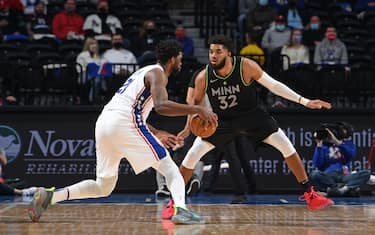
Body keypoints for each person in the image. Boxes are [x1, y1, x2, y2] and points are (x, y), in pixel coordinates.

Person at [27, 39, 217, 224]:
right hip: (123, 123)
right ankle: (181, 211)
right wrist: (197, 109)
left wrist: (156, 132)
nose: (181, 62)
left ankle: (49, 196)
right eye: (180, 58)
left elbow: (133, 111)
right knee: (171, 169)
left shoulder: (141, 72)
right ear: (172, 59)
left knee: (103, 185)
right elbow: (161, 106)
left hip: (105, 123)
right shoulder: (158, 73)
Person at [161, 34, 334, 219]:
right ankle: (175, 202)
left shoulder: (245, 66)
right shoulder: (203, 76)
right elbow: (196, 106)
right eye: (211, 51)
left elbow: (274, 85)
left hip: (252, 116)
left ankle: (310, 194)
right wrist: (189, 127)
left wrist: (304, 101)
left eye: (218, 51)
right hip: (222, 120)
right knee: (191, 156)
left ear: (228, 53)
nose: (213, 55)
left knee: (287, 147)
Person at [310, 122, 371, 197]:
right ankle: (341, 189)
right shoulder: (323, 147)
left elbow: (350, 155)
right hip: (329, 176)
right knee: (315, 174)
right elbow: (317, 164)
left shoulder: (348, 145)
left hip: (344, 176)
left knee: (365, 173)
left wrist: (336, 141)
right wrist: (319, 146)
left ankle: (342, 189)